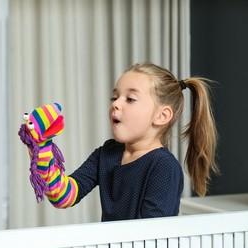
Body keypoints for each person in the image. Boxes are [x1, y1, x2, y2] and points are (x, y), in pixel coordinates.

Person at [19, 62, 219, 221]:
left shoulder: (163, 167)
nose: (116, 104)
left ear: (161, 116)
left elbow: (152, 241)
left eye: (130, 99)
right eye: (114, 97)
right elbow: (63, 196)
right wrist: (42, 148)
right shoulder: (106, 154)